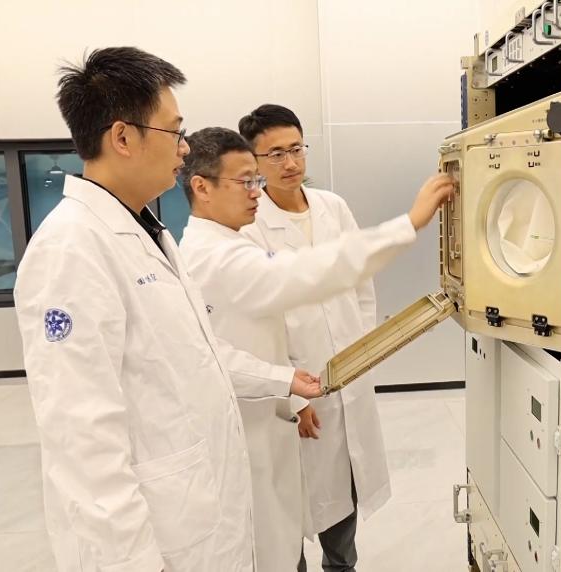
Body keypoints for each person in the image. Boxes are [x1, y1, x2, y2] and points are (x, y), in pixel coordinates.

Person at [13, 47, 320, 572]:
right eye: (174, 132)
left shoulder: (149, 234)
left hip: (200, 518)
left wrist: (282, 378)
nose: (184, 148)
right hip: (152, 542)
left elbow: (199, 356)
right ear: (123, 137)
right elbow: (82, 438)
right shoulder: (71, 250)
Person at [176, 127, 453, 571]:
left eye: (256, 180)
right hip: (257, 427)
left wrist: (289, 378)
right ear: (202, 187)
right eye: (247, 180)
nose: (256, 191)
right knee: (281, 537)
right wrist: (409, 223)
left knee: (314, 513)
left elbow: (350, 288)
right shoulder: (215, 254)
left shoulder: (226, 241)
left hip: (285, 404)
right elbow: (302, 274)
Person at [238, 104, 419, 571]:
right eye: (275, 154)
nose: (290, 162)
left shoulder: (332, 207)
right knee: (297, 500)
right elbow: (258, 322)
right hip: (296, 383)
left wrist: (362, 353)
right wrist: (293, 398)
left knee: (346, 485)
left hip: (347, 372)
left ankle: (341, 566)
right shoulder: (250, 225)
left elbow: (360, 281)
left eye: (296, 149)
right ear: (254, 161)